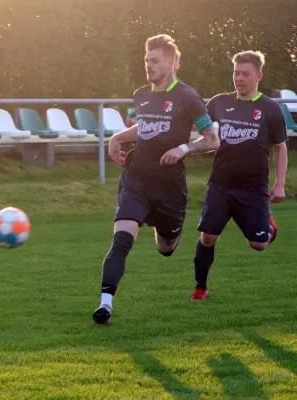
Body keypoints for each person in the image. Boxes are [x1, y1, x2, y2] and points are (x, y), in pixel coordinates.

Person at [93, 34, 220, 325]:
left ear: (174, 63)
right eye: (146, 61)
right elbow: (144, 127)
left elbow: (213, 140)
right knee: (121, 240)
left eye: (155, 60)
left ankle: (168, 232)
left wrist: (184, 147)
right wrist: (116, 137)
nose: (148, 66)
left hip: (170, 188)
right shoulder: (141, 95)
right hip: (136, 179)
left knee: (166, 248)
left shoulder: (188, 97)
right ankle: (105, 304)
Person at [190, 51, 288, 300]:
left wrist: (279, 185)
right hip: (221, 183)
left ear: (259, 76)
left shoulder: (270, 108)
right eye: (236, 73)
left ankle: (268, 221)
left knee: (259, 244)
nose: (239, 78)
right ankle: (200, 287)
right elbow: (200, 128)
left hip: (253, 187)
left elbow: (280, 147)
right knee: (208, 237)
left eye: (246, 74)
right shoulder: (218, 102)